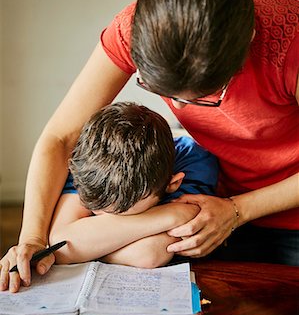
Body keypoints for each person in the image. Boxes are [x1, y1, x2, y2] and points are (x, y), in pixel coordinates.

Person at [1, 0, 298, 292]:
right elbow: (61, 137)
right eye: (166, 92)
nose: (180, 110)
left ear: (247, 42)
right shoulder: (139, 26)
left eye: (202, 97)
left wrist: (237, 211)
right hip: (213, 202)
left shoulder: (290, 42)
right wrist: (34, 237)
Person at [48, 101, 218, 267]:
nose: (102, 216)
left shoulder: (194, 160)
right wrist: (172, 215)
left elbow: (150, 253)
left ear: (172, 184)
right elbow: (62, 246)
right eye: (99, 210)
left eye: (120, 214)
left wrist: (89, 248)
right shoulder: (91, 162)